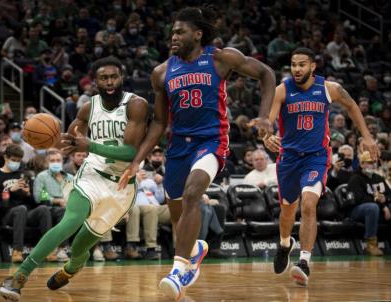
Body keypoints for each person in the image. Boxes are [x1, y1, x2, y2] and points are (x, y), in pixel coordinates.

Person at [118, 7, 275, 300]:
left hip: (212, 140)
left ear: (197, 34)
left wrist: (265, 116)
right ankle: (194, 251)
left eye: (180, 31)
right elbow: (160, 122)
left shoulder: (220, 58)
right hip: (178, 145)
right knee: (177, 211)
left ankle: (178, 270)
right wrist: (137, 158)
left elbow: (265, 74)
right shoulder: (161, 72)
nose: (173, 36)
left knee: (193, 194)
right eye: (172, 32)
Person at [0, 56, 148, 301]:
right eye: (103, 78)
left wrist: (91, 145)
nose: (109, 81)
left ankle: (73, 267)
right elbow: (67, 141)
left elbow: (132, 151)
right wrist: (37, 133)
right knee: (69, 222)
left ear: (122, 78)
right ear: (94, 82)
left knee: (80, 247)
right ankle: (19, 277)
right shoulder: (88, 107)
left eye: (114, 76)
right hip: (91, 175)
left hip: (121, 188)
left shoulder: (136, 105)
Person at [263, 47, 379, 287]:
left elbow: (352, 106)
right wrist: (266, 137)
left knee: (308, 203)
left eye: (302, 64)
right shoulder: (282, 90)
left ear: (312, 66)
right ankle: (285, 244)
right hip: (289, 158)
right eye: (294, 64)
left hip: (316, 157)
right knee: (287, 211)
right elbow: (268, 121)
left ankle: (304, 260)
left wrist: (366, 136)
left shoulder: (329, 88)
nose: (297, 69)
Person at [0, 144, 56, 263]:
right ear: (5, 157)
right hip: (6, 215)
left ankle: (47, 250)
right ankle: (17, 251)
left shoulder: (23, 175)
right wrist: (9, 190)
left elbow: (33, 203)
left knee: (43, 209)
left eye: (18, 161)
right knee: (21, 209)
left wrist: (28, 194)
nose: (16, 163)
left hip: (25, 212)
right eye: (13, 160)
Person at [347, 151, 391, 256]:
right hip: (357, 211)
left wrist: (386, 199)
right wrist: (383, 206)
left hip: (378, 209)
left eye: (374, 162)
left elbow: (389, 194)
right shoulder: (355, 178)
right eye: (369, 162)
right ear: (362, 164)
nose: (372, 165)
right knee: (372, 207)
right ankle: (371, 244)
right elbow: (361, 199)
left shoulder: (378, 178)